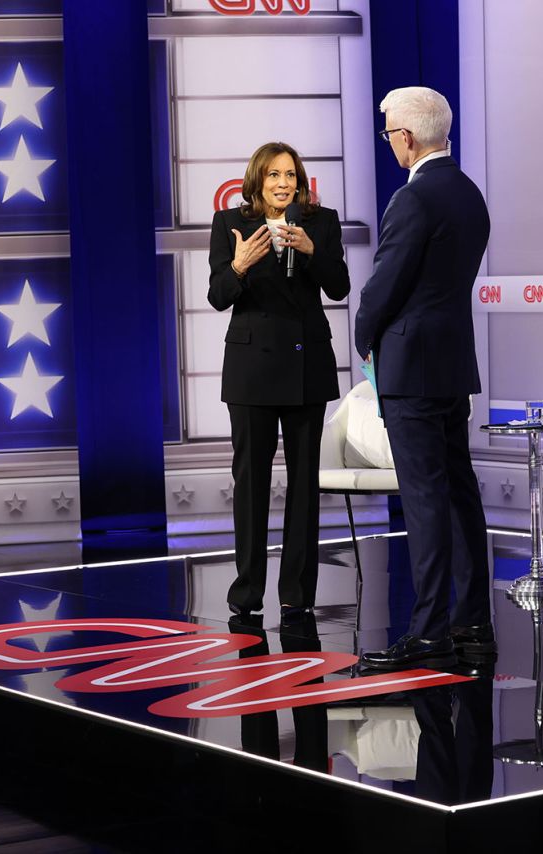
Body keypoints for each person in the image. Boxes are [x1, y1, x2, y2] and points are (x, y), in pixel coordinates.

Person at [354, 87, 494, 668]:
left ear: (407, 139)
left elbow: (385, 284)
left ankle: (431, 630)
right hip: (451, 364)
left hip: (411, 368)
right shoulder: (469, 195)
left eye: (389, 134)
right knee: (458, 492)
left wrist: (364, 332)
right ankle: (473, 622)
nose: (389, 143)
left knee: (425, 498)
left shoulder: (414, 199)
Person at [208, 142, 350, 618]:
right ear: (257, 181)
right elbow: (218, 296)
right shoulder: (230, 225)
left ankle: (297, 595)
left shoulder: (322, 222)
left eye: (290, 174)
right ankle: (247, 592)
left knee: (305, 485)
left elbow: (340, 286)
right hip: (252, 373)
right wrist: (239, 265)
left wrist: (311, 252)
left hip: (306, 367)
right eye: (273, 175)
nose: (283, 183)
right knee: (250, 483)